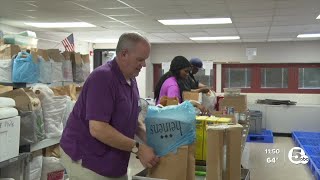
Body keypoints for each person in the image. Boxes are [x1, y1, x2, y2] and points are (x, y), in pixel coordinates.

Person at [60, 32, 159, 180]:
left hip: (113, 159)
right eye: (140, 59)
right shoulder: (102, 78)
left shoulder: (131, 81)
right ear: (124, 54)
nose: (143, 65)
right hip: (88, 158)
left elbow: (132, 120)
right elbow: (98, 128)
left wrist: (152, 140)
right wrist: (138, 149)